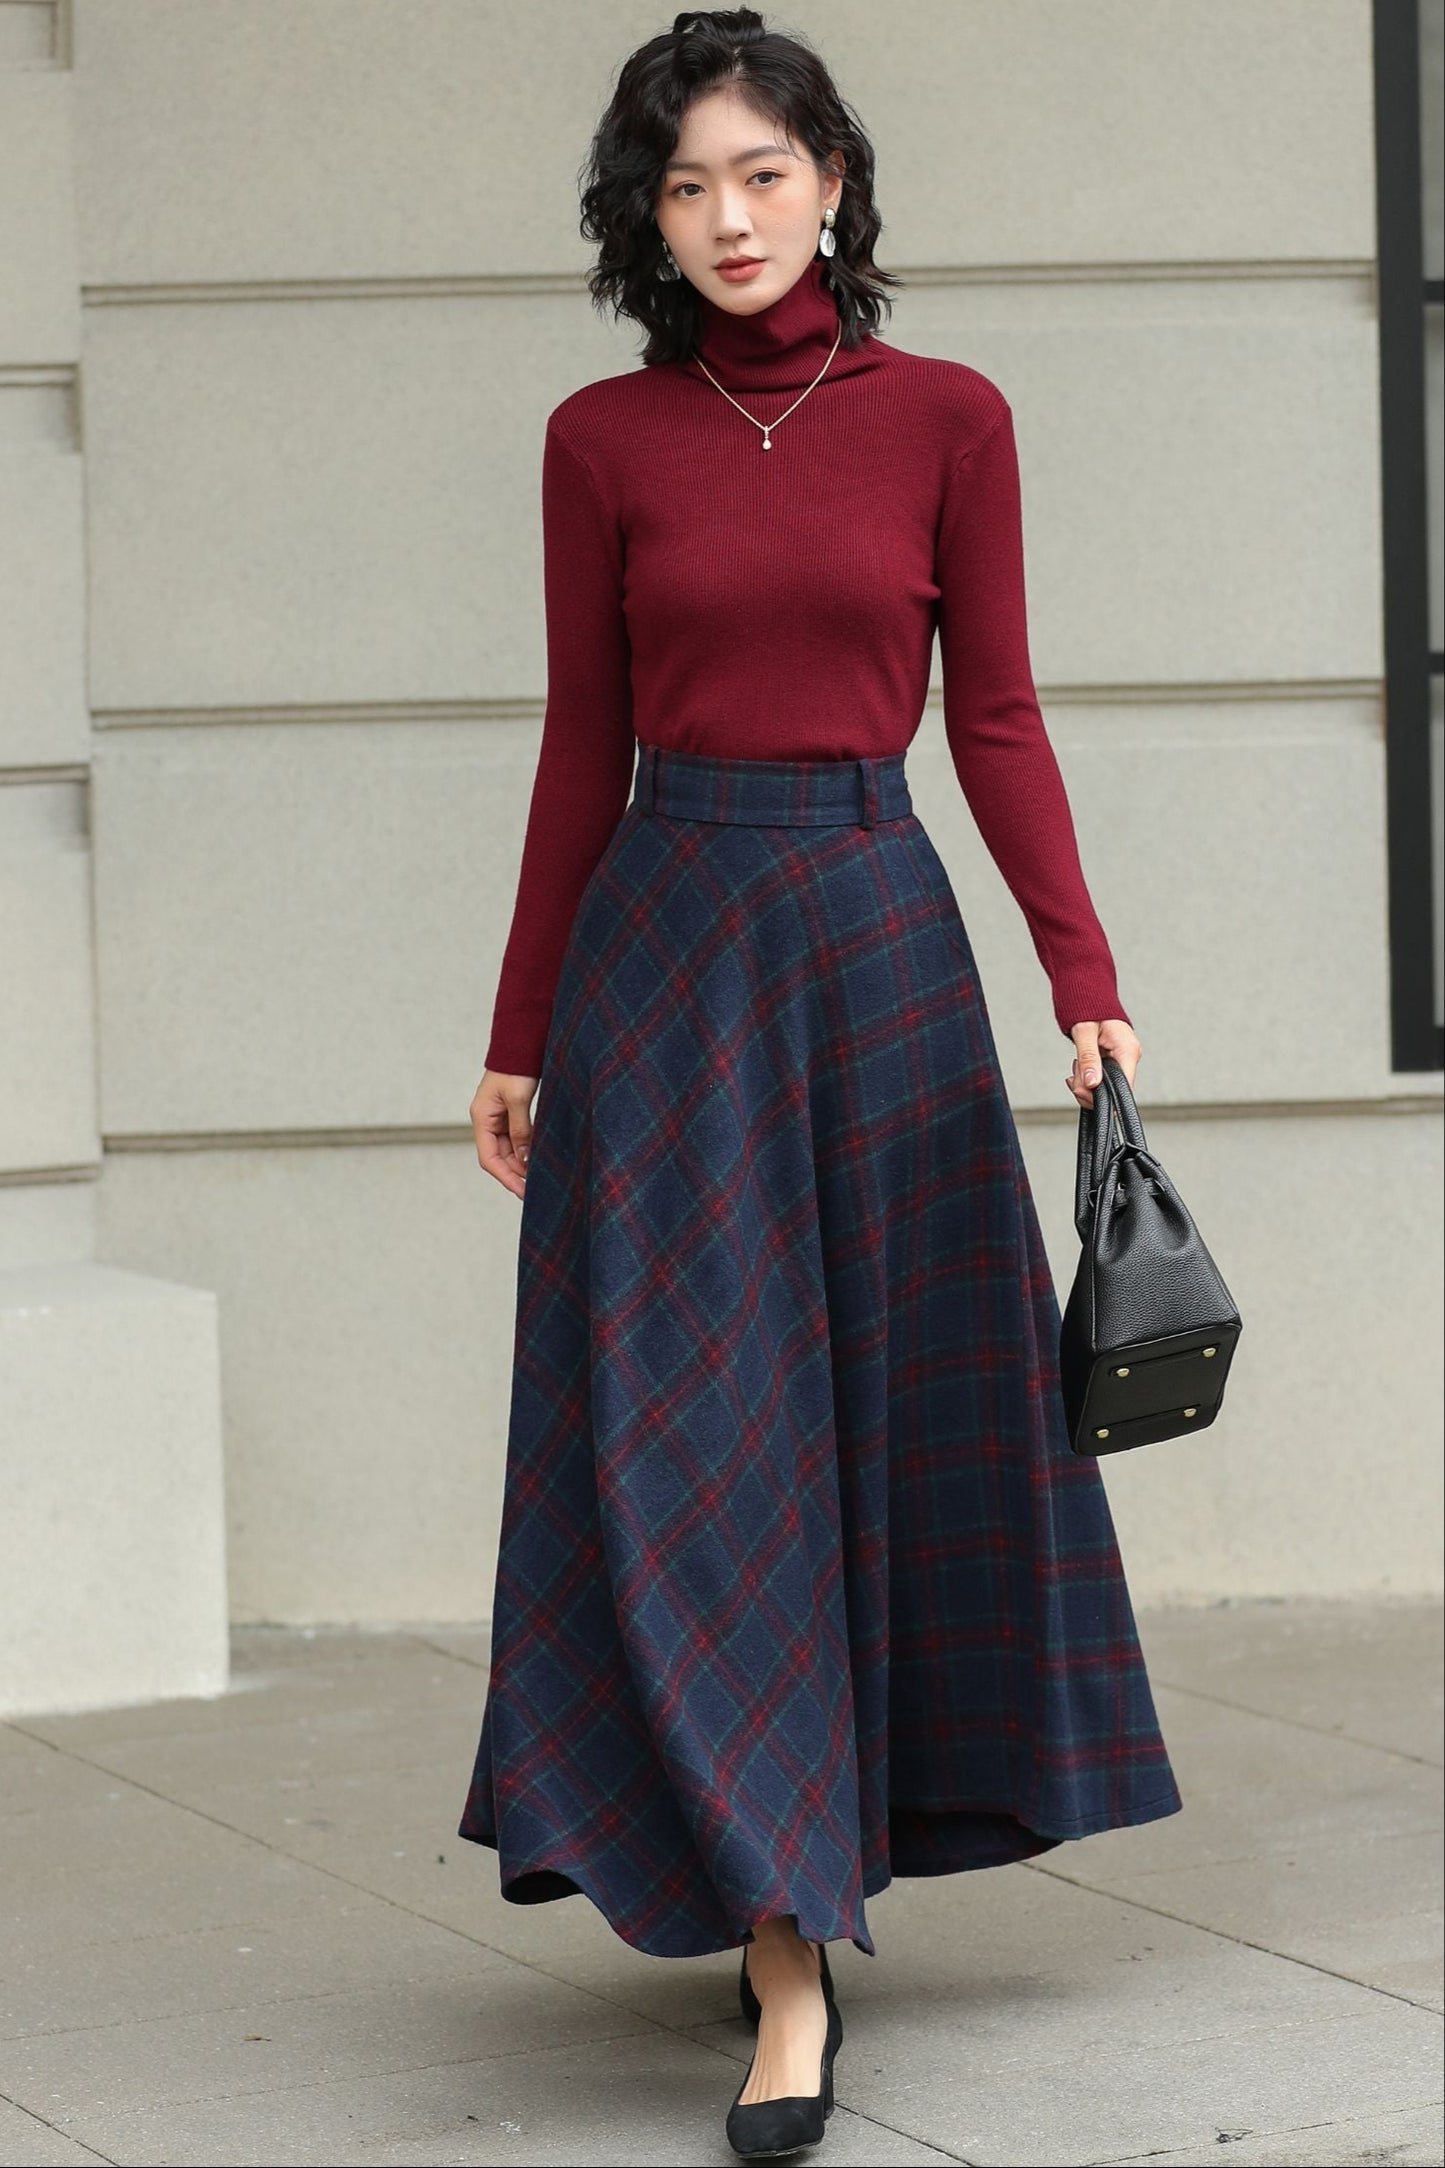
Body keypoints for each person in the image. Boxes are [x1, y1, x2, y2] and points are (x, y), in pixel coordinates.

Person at [458, 10, 1182, 2159]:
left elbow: (1000, 717)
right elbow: (581, 744)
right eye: (685, 186)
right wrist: (517, 1027)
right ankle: (779, 1942)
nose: (728, 217)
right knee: (702, 1436)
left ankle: (816, 1865)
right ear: (648, 217)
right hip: (663, 961)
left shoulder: (949, 418)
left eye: (761, 173)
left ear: (833, 184)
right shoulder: (603, 438)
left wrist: (1081, 971)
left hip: (875, 944)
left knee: (861, 1429)